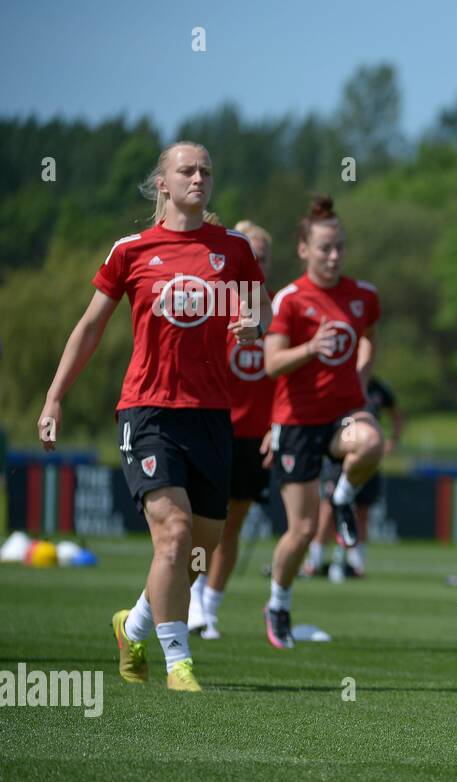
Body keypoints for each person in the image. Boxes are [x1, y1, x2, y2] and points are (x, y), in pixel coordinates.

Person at [39, 141, 267, 691]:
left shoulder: (233, 249)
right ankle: (178, 662)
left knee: (194, 554)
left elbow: (256, 311)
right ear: (161, 183)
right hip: (147, 412)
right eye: (186, 170)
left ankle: (133, 625)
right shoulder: (131, 250)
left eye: (206, 171)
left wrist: (250, 326)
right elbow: (90, 328)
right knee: (175, 533)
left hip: (211, 415)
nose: (198, 178)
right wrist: (54, 398)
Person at [262, 195, 384, 649]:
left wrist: (359, 376)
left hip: (343, 415)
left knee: (371, 442)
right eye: (324, 248)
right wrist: (312, 348)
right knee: (302, 530)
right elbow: (272, 365)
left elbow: (369, 339)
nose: (333, 257)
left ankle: (345, 496)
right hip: (296, 423)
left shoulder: (363, 296)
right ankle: (278, 602)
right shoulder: (290, 300)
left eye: (339, 248)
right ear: (303, 250)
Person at [186, 220, 276, 639]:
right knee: (204, 521)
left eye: (262, 256)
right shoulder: (215, 300)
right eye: (250, 254)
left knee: (232, 525)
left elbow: (283, 377)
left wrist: (278, 425)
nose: (256, 262)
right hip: (214, 424)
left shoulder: (272, 306)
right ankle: (192, 597)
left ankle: (211, 607)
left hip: (256, 435)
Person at [307, 375, 403, 580]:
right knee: (328, 509)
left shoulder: (379, 388)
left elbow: (396, 413)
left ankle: (356, 563)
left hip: (367, 454)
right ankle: (314, 561)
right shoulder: (339, 380)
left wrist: (393, 439)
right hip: (342, 454)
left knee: (362, 510)